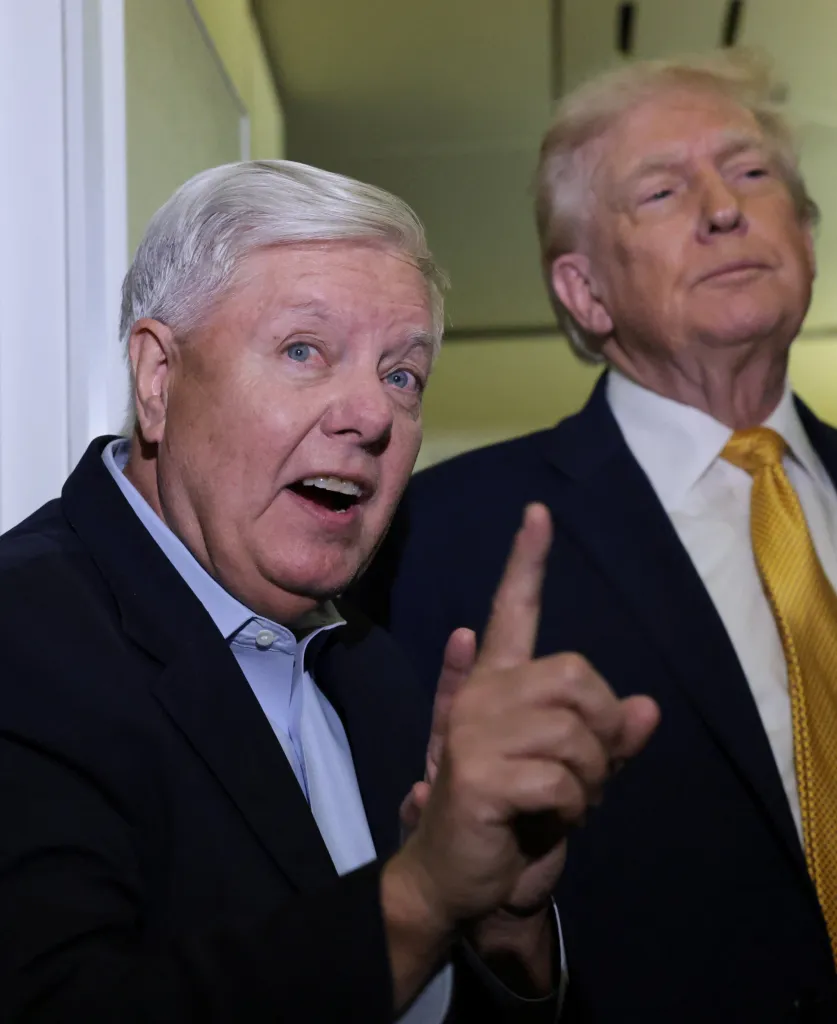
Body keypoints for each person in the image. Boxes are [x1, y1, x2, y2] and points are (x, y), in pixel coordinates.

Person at [0, 160, 658, 1022]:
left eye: (401, 375)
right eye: (304, 350)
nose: (371, 415)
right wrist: (420, 896)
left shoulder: (374, 671)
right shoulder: (26, 633)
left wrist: (503, 920)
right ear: (157, 379)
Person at [350, 53, 837, 1022]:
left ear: (808, 233)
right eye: (659, 190)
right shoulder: (439, 540)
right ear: (584, 292)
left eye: (750, 173)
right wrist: (507, 940)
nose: (723, 209)